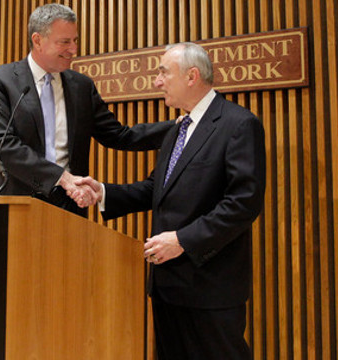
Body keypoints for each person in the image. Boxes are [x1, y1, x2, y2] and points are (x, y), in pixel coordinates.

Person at [72, 42, 266, 359]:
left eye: (163, 72)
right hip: (168, 285)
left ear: (192, 76)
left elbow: (243, 203)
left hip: (210, 286)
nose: (157, 81)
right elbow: (156, 188)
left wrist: (182, 240)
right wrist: (103, 192)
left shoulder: (238, 124)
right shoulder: (178, 129)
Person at [0, 3, 173, 215]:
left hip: (67, 205)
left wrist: (175, 128)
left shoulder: (82, 86)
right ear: (37, 40)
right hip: (10, 200)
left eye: (75, 40)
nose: (74, 49)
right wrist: (62, 177)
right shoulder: (0, 80)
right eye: (65, 42)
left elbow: (118, 135)